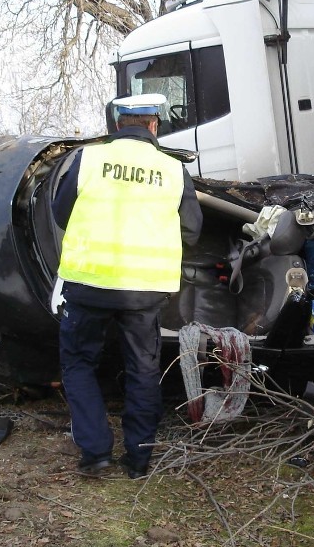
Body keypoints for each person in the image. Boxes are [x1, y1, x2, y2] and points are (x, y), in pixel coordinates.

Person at [51, 93, 202, 478]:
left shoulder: (88, 159)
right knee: (143, 369)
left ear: (118, 125)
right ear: (154, 125)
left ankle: (96, 452)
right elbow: (193, 230)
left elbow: (60, 212)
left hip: (89, 282)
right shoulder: (172, 170)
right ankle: (138, 460)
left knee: (79, 363)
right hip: (144, 289)